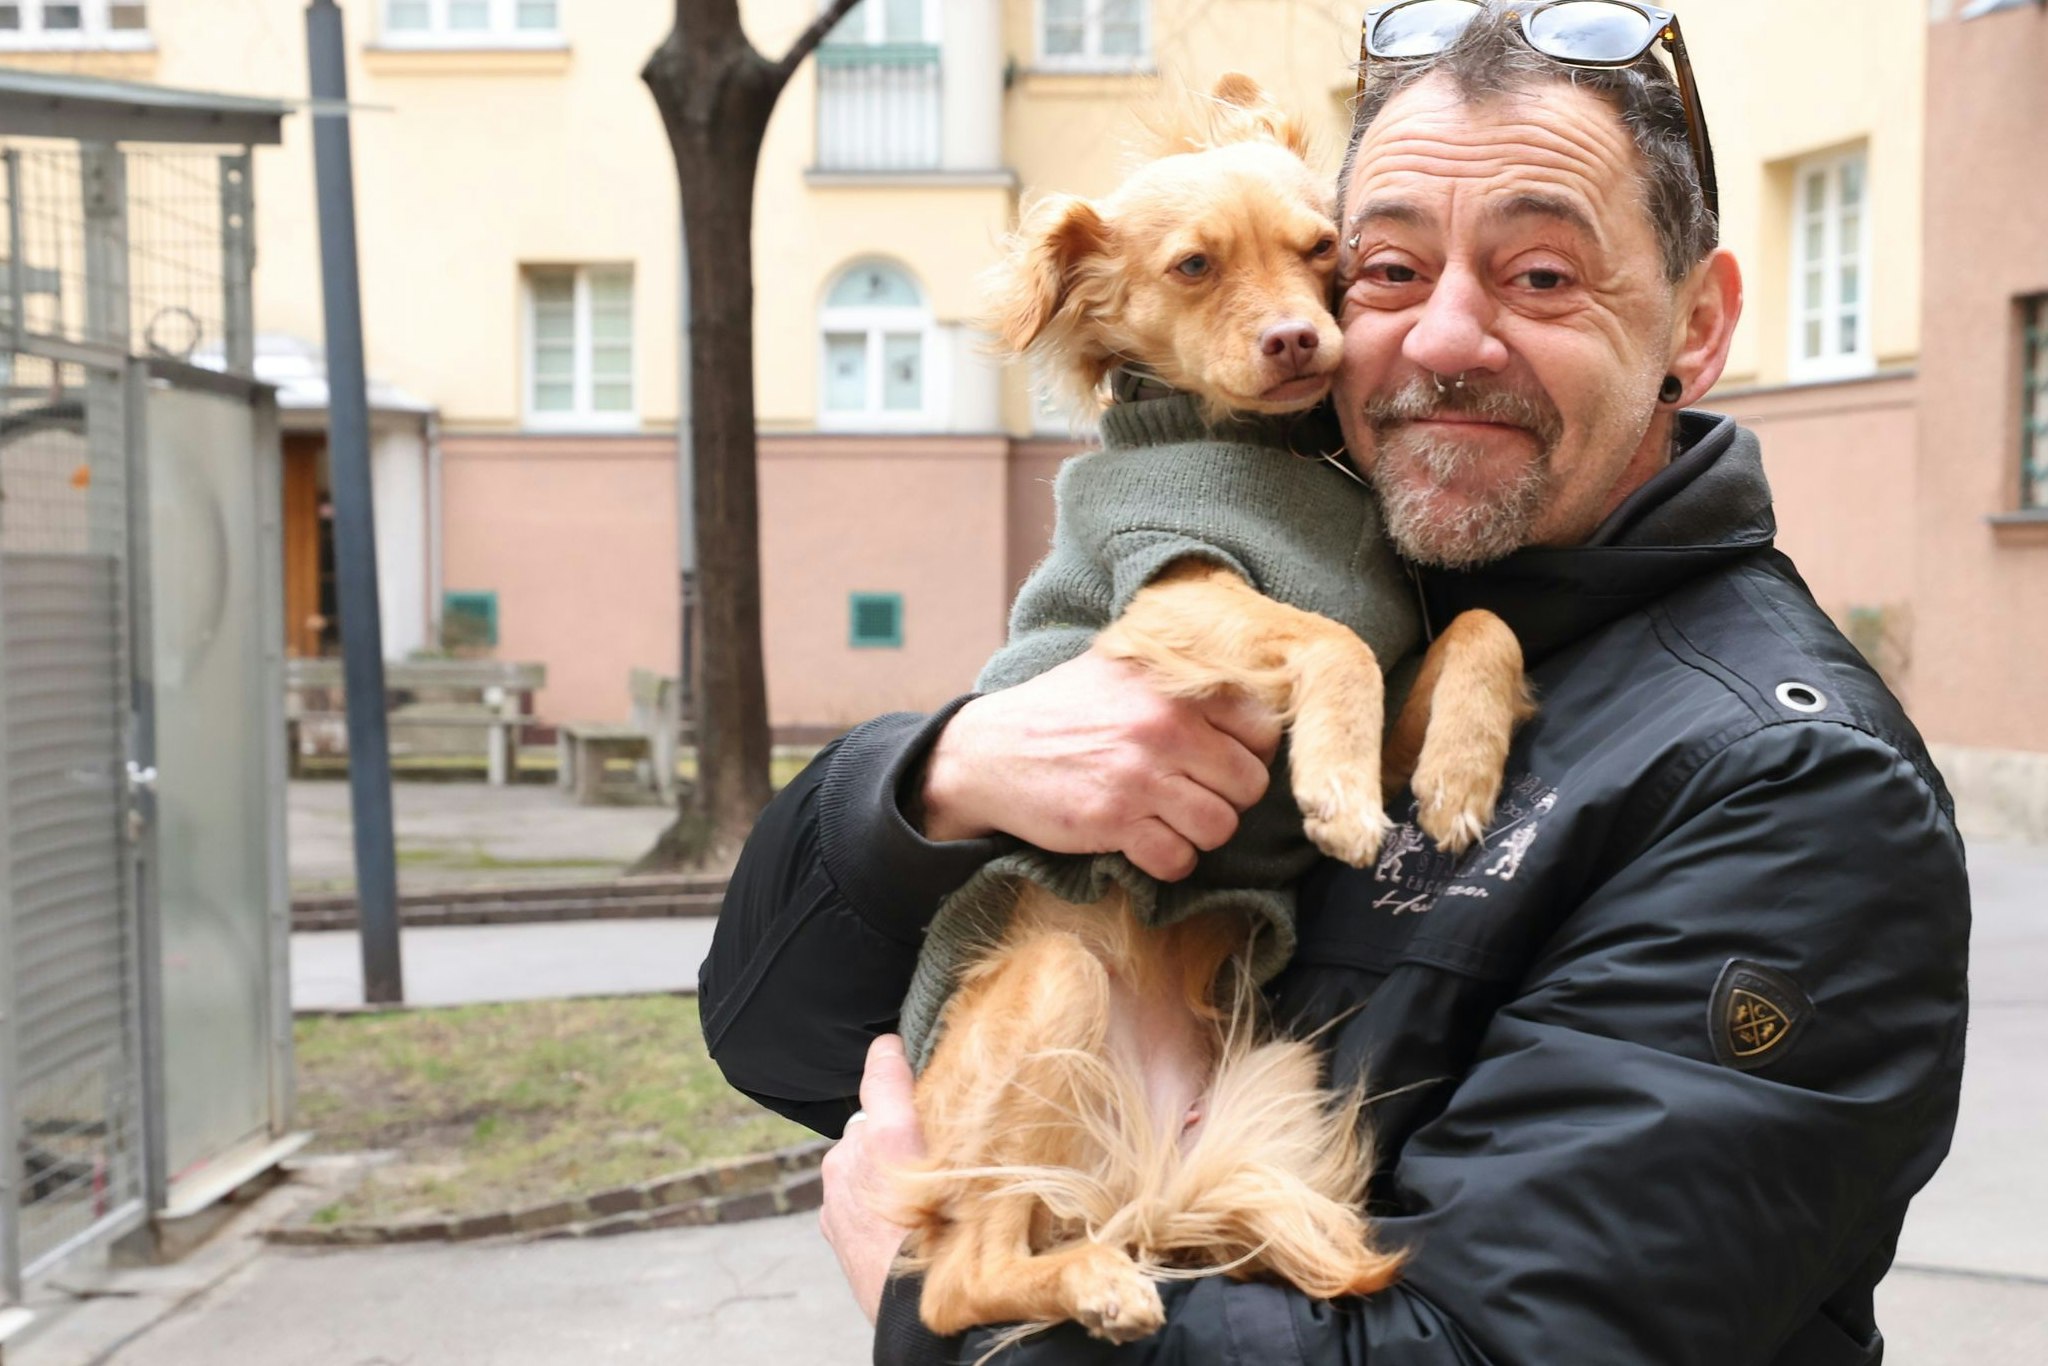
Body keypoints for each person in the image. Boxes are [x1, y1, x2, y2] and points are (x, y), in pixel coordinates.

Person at [698, 5, 1971, 1362]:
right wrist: (936, 783)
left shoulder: (1794, 789)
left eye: (1542, 275)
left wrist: (937, 1316)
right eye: (1387, 270)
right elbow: (774, 1035)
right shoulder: (1340, 572)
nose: (1444, 337)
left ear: (1696, 326)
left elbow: (1494, 1347)